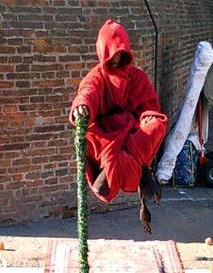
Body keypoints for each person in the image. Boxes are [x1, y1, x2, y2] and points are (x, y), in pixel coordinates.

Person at [69, 19, 168, 233]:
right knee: (103, 179)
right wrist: (81, 107)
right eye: (111, 56)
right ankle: (139, 169)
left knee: (158, 126)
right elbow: (87, 93)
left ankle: (133, 164)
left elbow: (149, 106)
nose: (116, 60)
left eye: (120, 56)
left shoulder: (136, 76)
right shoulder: (96, 77)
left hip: (132, 131)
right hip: (106, 134)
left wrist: (148, 119)